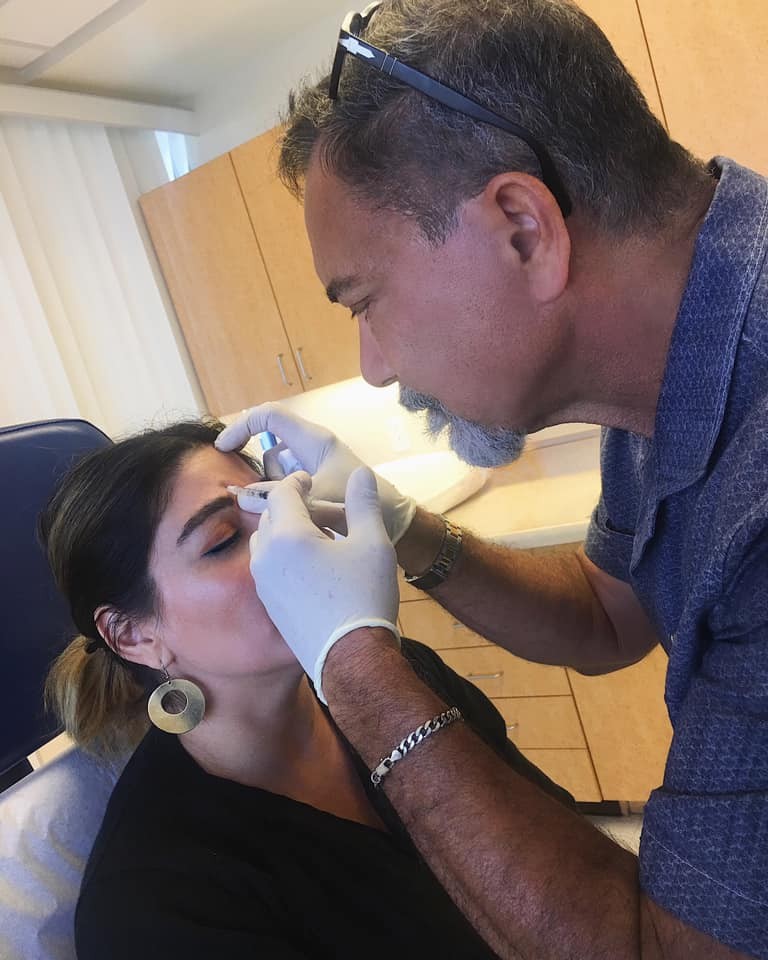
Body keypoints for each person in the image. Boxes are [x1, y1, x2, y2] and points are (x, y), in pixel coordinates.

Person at [214, 1, 768, 958]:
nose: (376, 364)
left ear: (521, 226)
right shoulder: (663, 368)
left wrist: (353, 660)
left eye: (365, 301)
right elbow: (605, 614)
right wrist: (400, 527)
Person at [40, 418, 574, 960]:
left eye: (273, 509)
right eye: (223, 541)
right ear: (133, 635)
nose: (291, 544)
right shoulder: (154, 908)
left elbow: (567, 871)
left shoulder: (402, 675)